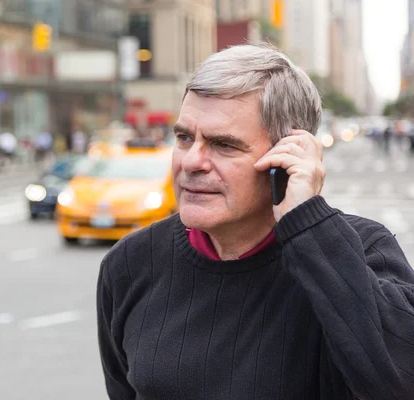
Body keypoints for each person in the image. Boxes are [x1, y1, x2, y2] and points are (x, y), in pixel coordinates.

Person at [96, 44, 414, 399]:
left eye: (223, 145)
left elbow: (399, 381)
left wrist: (308, 225)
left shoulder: (363, 250)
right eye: (185, 138)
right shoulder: (129, 263)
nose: (191, 162)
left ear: (287, 157)